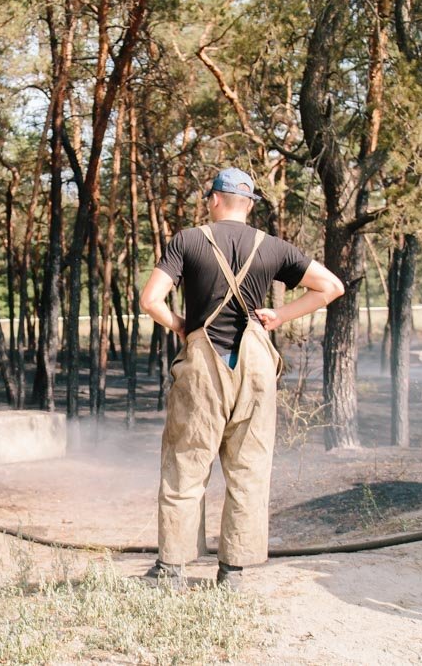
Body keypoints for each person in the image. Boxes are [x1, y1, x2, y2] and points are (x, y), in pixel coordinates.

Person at [138, 167, 345, 590]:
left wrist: (181, 325)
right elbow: (331, 287)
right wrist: (280, 315)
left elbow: (150, 300)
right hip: (255, 365)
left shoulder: (189, 240)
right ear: (249, 205)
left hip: (202, 363)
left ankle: (172, 570)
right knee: (249, 467)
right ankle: (234, 572)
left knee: (186, 462)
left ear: (214, 199)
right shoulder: (273, 247)